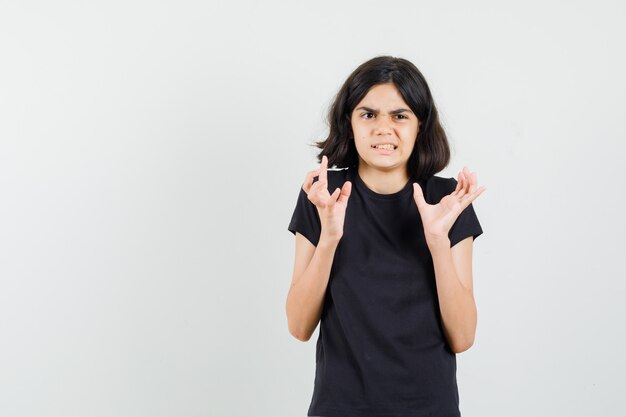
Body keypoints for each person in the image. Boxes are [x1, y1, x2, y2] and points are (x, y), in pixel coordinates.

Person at [286, 55, 486, 417]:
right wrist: (330, 237)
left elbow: (462, 337)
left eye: (400, 115)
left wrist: (438, 242)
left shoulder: (448, 199)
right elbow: (299, 326)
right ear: (349, 123)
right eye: (368, 114)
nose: (383, 128)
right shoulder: (322, 195)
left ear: (420, 125)